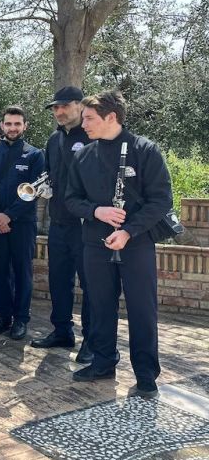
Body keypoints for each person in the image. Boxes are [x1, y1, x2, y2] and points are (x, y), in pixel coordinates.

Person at [65, 91, 172, 398]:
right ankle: (102, 362)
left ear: (111, 117)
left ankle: (146, 374)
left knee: (142, 309)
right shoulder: (83, 155)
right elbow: (71, 198)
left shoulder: (144, 150)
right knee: (99, 305)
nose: (83, 123)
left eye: (89, 118)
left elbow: (161, 199)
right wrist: (95, 211)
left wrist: (129, 231)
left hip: (135, 242)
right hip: (96, 242)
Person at [30, 86, 93, 364]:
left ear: (79, 106)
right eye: (55, 108)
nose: (58, 111)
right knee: (59, 280)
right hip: (59, 222)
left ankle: (92, 339)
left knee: (91, 283)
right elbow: (51, 175)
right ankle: (62, 331)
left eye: (63, 106)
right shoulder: (53, 140)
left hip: (86, 225)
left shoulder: (93, 136)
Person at [0, 106, 45, 340]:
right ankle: (3, 316)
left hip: (22, 224)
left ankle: (21, 319)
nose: (12, 128)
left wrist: (8, 216)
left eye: (17, 124)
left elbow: (34, 192)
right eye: (8, 124)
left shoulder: (35, 155)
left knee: (22, 272)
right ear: (2, 126)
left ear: (25, 126)